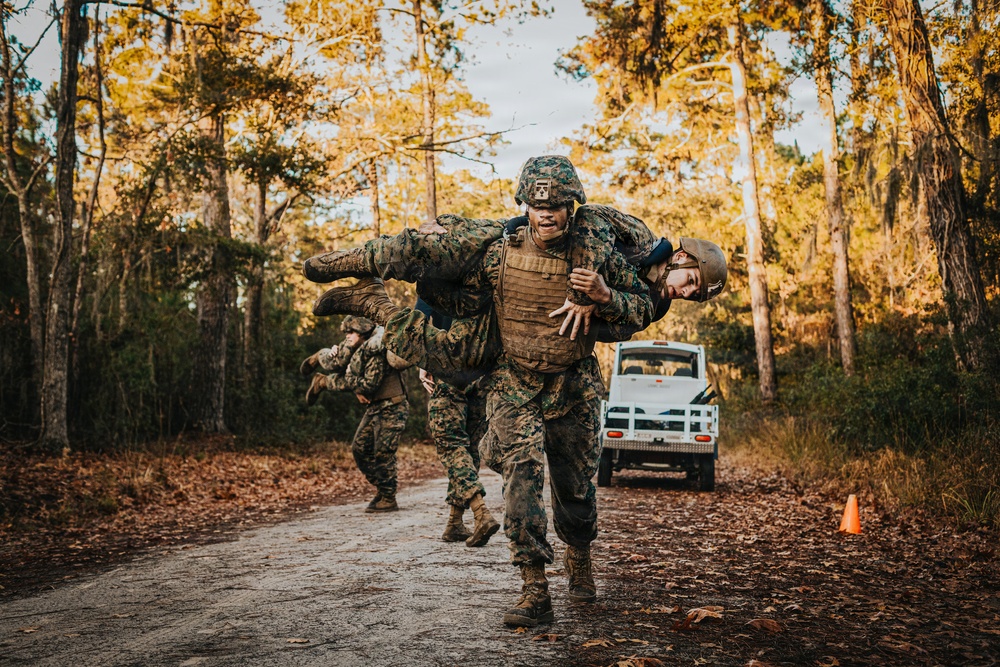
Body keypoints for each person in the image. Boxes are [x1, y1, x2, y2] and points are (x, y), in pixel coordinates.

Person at [305, 157, 668, 628]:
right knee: (520, 476)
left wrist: (605, 295)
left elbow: (642, 308)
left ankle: (579, 552)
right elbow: (449, 287)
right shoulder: (500, 250)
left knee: (576, 494)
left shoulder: (596, 252)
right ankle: (534, 587)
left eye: (557, 205)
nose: (546, 214)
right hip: (513, 381)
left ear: (570, 205)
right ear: (524, 205)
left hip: (573, 386)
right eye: (537, 205)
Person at [300, 315, 410, 513]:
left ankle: (387, 496)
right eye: (346, 332)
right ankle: (384, 490)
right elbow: (349, 371)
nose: (347, 336)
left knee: (384, 452)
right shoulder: (354, 347)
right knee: (360, 449)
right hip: (375, 407)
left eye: (351, 332)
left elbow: (369, 384)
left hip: (393, 406)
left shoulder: (376, 347)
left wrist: (352, 387)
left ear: (363, 332)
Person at [416, 298, 500, 547]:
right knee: (469, 448)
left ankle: (480, 511)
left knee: (453, 445)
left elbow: (418, 324)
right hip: (483, 373)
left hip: (448, 370)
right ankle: (455, 522)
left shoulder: (438, 274)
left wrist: (424, 363)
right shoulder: (490, 274)